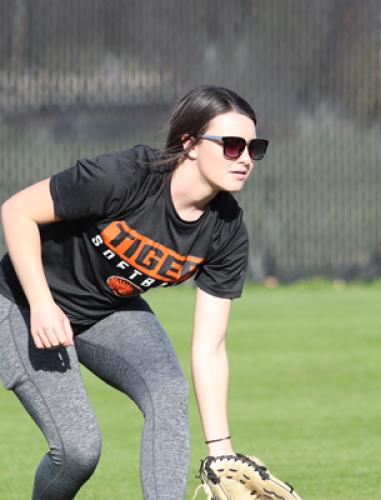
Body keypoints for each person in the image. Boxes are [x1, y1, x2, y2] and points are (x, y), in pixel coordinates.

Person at [0, 85, 269, 500]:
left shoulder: (227, 230)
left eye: (254, 147)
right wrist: (41, 303)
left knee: (167, 388)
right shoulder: (126, 176)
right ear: (190, 144)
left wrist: (221, 450)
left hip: (107, 309)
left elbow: (210, 348)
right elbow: (17, 211)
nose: (246, 159)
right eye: (232, 146)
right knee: (78, 452)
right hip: (22, 300)